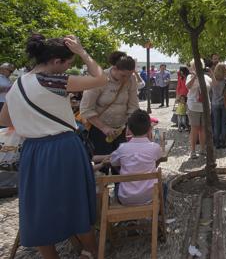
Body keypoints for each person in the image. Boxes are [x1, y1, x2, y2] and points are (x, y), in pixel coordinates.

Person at [0, 33, 107, 259]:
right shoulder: (52, 80)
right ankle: (92, 252)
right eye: (68, 63)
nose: (69, 67)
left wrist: (33, 123)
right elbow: (100, 79)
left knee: (37, 208)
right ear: (56, 61)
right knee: (74, 203)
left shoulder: (16, 84)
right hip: (62, 148)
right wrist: (82, 52)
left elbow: (5, 120)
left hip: (32, 151)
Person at [80, 51, 139, 158]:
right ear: (115, 69)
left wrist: (131, 125)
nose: (126, 79)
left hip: (120, 129)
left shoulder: (131, 79)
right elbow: (86, 109)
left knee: (122, 164)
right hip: (99, 130)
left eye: (129, 75)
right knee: (103, 165)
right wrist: (104, 128)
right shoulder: (99, 78)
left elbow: (133, 106)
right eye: (123, 75)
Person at [110, 109, 164, 206]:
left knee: (117, 185)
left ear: (129, 129)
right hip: (150, 195)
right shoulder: (154, 148)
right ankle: (158, 212)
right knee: (164, 186)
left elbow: (113, 162)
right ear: (149, 129)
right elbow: (160, 156)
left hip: (126, 197)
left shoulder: (122, 148)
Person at [186, 59, 212, 158]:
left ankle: (202, 149)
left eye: (199, 66)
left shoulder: (206, 77)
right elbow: (188, 86)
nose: (197, 68)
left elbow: (213, 85)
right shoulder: (190, 76)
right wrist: (195, 77)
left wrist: (212, 73)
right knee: (194, 129)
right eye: (194, 66)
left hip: (205, 107)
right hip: (194, 106)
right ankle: (192, 151)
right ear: (192, 67)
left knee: (203, 129)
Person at [211, 63, 226, 149]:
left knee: (216, 124)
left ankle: (216, 143)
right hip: (224, 103)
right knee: (224, 124)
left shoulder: (212, 79)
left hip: (215, 103)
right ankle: (223, 142)